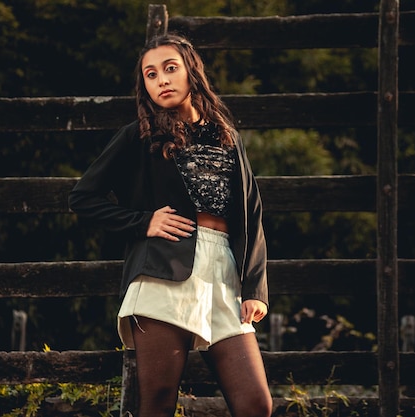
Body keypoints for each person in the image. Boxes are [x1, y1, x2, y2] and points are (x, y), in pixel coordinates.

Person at [69, 33, 272, 417]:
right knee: (159, 402)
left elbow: (251, 213)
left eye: (170, 68)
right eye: (150, 74)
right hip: (162, 271)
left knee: (256, 405)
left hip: (224, 275)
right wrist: (143, 221)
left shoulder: (227, 136)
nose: (161, 79)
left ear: (191, 72)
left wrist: (255, 287)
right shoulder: (139, 136)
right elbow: (83, 198)